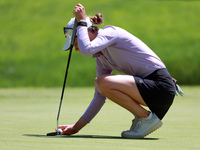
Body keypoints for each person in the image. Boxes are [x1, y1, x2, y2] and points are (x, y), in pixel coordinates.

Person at [59, 3, 177, 138]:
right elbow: (100, 96)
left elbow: (86, 49)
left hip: (161, 87)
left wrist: (80, 21)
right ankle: (144, 118)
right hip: (152, 92)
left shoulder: (111, 33)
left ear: (85, 32)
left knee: (101, 82)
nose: (77, 49)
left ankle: (147, 119)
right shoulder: (101, 58)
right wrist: (76, 127)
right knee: (101, 84)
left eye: (76, 43)